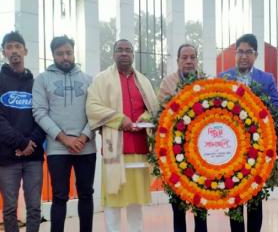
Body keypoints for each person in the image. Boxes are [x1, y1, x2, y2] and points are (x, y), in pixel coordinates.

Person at [86, 39, 159, 232]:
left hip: (139, 147)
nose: (124, 53)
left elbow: (154, 108)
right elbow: (92, 107)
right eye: (120, 50)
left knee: (136, 201)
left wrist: (143, 118)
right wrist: (120, 119)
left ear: (133, 55)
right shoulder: (101, 79)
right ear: (113, 54)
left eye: (128, 50)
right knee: (114, 200)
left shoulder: (143, 81)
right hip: (115, 149)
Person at [32, 35, 96, 232]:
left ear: (74, 53)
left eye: (68, 52)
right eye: (60, 54)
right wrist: (64, 138)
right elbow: (39, 112)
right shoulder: (42, 79)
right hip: (57, 148)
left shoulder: (88, 80)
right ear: (53, 55)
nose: (65, 57)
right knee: (59, 196)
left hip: (86, 148)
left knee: (86, 194)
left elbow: (95, 113)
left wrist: (84, 137)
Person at [218, 33, 278, 232]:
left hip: (257, 147)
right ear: (235, 54)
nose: (243, 56)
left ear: (255, 55)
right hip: (231, 149)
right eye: (239, 52)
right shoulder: (224, 78)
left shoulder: (266, 78)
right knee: (234, 197)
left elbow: (277, 107)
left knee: (254, 197)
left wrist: (257, 107)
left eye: (248, 52)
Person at [158, 43, 208, 232]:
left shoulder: (206, 82)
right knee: (178, 203)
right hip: (175, 153)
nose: (188, 61)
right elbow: (162, 114)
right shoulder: (167, 83)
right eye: (184, 57)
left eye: (192, 57)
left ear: (197, 60)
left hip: (202, 154)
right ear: (178, 60)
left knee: (201, 202)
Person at [0, 31, 45, 232]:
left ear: (25, 50)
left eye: (18, 46)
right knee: (9, 209)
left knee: (34, 208)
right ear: (4, 52)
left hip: (33, 157)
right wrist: (21, 143)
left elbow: (42, 116)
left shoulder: (36, 84)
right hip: (6, 157)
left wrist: (30, 144)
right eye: (9, 47)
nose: (14, 50)